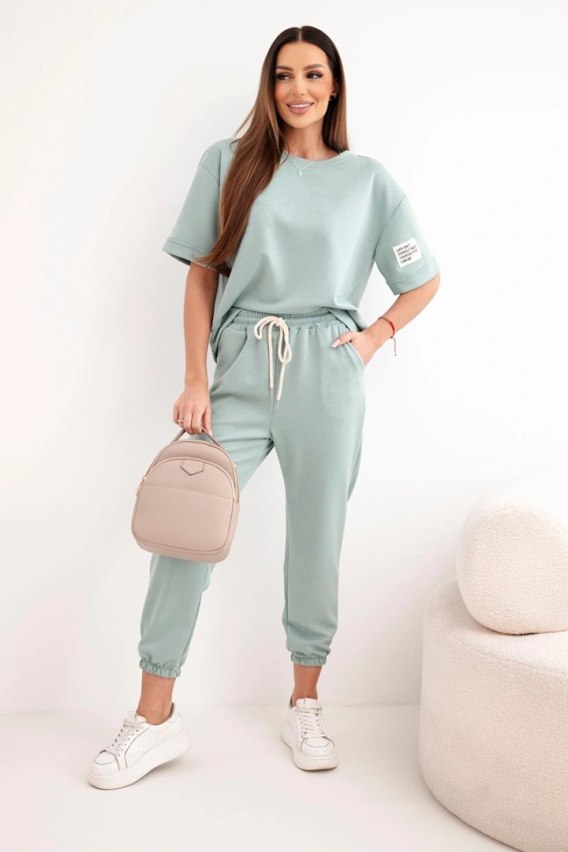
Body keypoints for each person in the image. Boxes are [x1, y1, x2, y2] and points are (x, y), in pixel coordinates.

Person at [88, 24, 441, 790]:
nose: (297, 88)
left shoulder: (368, 181)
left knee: (317, 537)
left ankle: (305, 703)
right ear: (269, 85)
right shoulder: (230, 162)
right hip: (242, 367)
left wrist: (374, 337)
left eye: (313, 74)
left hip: (328, 373)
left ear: (334, 85)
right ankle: (154, 716)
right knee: (185, 529)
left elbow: (423, 278)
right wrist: (195, 378)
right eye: (284, 75)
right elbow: (201, 274)